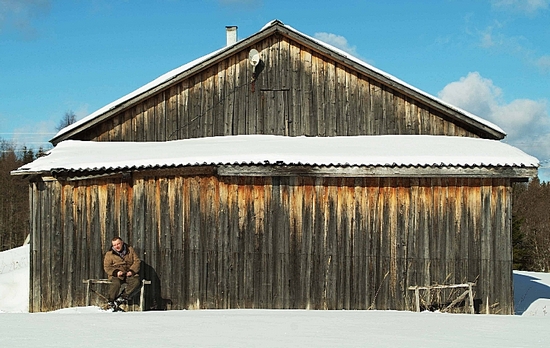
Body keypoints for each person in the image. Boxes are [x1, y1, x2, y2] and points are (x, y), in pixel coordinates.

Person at [103, 236, 141, 310]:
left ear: (122, 243)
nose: (116, 246)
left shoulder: (130, 250)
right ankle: (110, 301)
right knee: (116, 284)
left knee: (136, 281)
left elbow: (137, 261)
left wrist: (132, 271)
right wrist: (116, 272)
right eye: (114, 245)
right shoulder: (109, 254)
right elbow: (107, 267)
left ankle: (122, 297)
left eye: (118, 244)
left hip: (128, 273)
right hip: (117, 275)